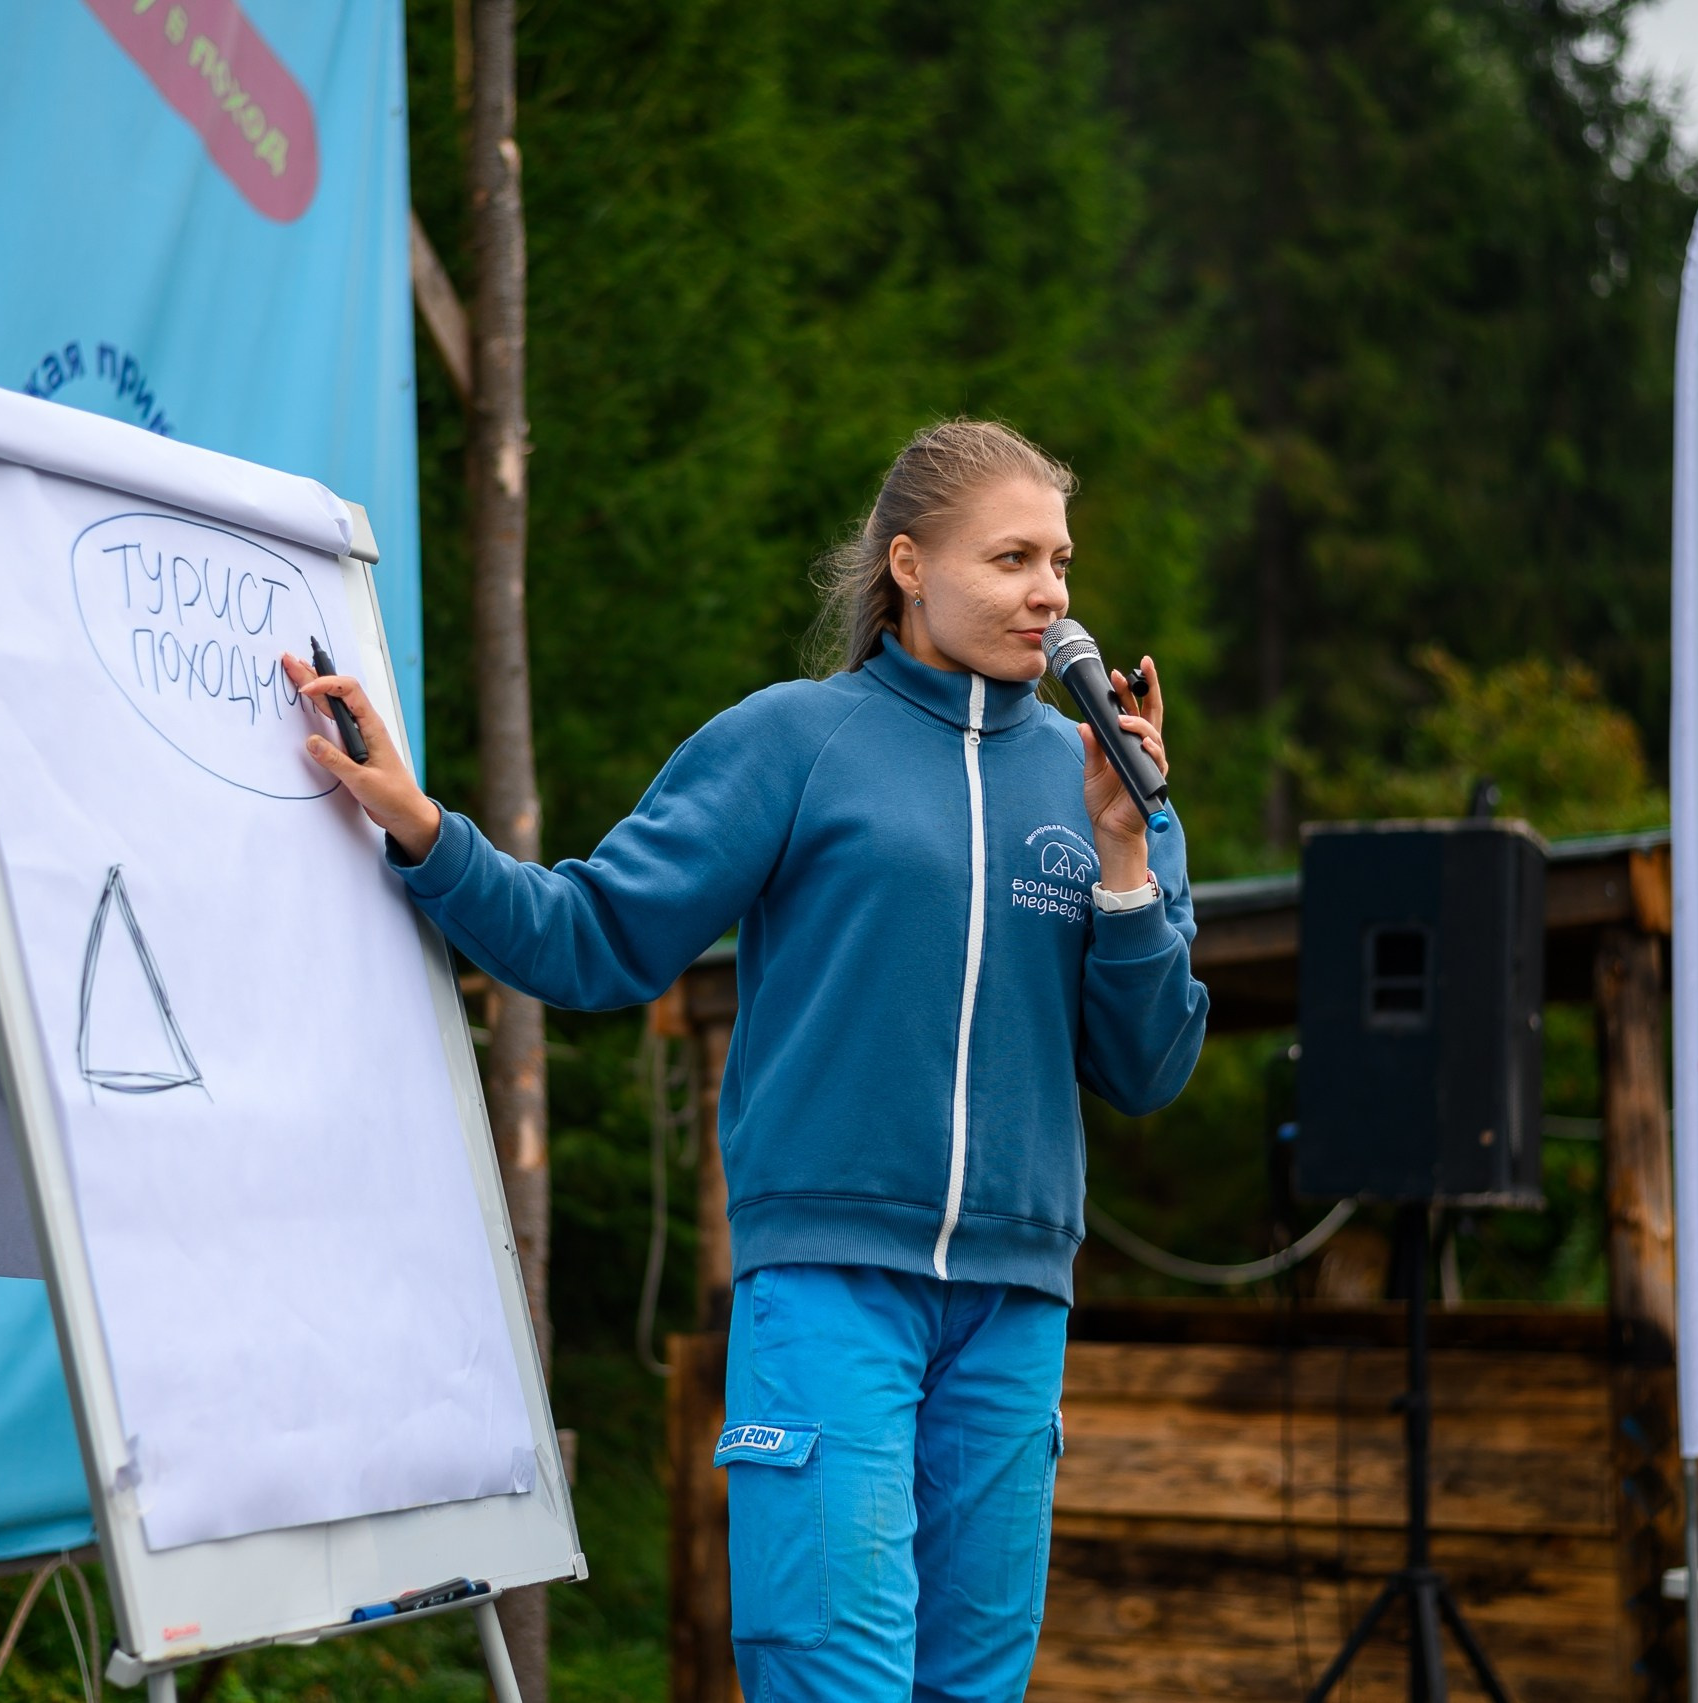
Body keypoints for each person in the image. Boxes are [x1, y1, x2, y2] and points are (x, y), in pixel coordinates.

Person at [284, 420, 1208, 1702]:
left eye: (1059, 561)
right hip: (828, 1290)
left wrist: (1120, 854)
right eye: (1010, 558)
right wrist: (425, 829)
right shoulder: (796, 739)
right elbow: (595, 938)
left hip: (1017, 1310)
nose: (1050, 593)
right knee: (835, 1678)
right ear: (908, 565)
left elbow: (1152, 1064)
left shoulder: (1105, 781)